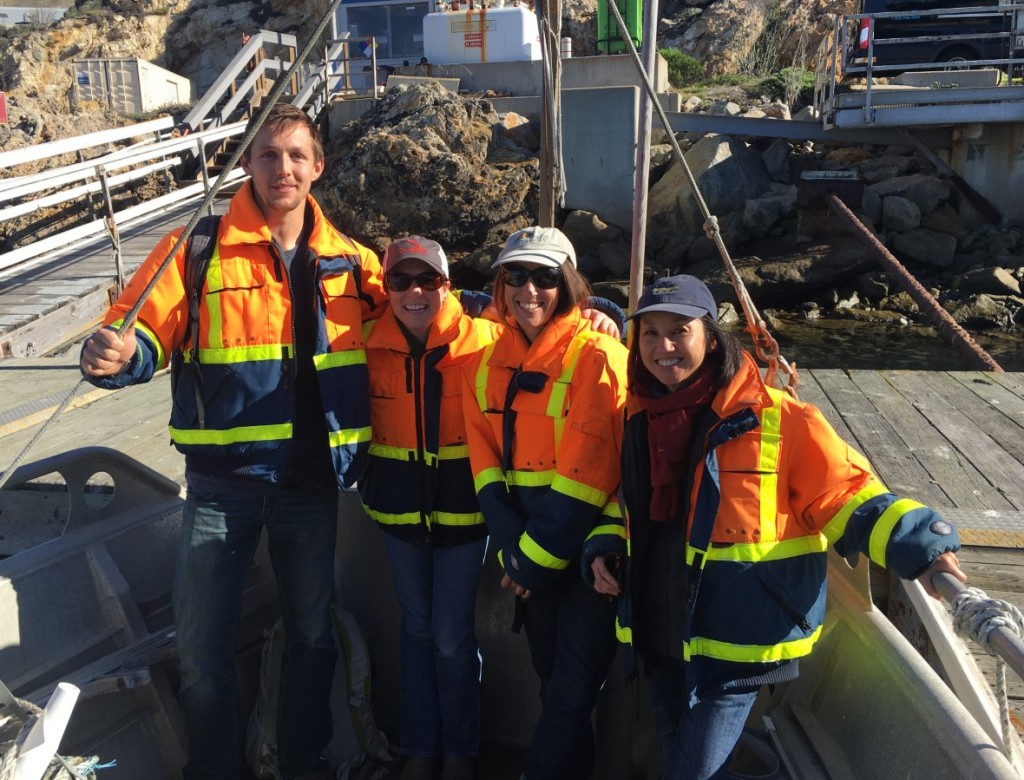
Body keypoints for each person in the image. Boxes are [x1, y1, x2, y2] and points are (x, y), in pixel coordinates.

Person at [80, 103, 387, 780]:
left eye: (297, 156)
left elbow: (430, 322)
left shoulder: (355, 262)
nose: (283, 168)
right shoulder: (194, 248)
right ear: (246, 163)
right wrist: (114, 355)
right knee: (201, 651)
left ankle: (302, 764)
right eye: (269, 154)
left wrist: (584, 317)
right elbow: (142, 337)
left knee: (313, 635)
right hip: (222, 488)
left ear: (318, 167)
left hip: (312, 486)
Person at [585, 274, 968, 780]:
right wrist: (606, 542)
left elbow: (845, 494)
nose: (664, 347)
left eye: (679, 331)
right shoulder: (638, 414)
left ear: (711, 336)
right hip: (657, 630)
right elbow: (625, 500)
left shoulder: (778, 418)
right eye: (650, 334)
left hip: (739, 640)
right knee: (683, 756)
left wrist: (921, 546)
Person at [460, 226, 628, 780]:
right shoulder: (485, 363)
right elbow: (485, 465)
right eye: (516, 276)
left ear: (570, 285)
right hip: (528, 558)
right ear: (500, 285)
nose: (529, 290)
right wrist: (513, 550)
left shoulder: (598, 355)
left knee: (572, 692)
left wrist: (530, 561)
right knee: (552, 679)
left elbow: (589, 473)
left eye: (545, 277)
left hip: (586, 553)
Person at [360, 236, 500, 780]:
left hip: (466, 518)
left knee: (450, 635)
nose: (414, 292)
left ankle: (461, 753)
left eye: (427, 281)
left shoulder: (488, 338)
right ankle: (421, 748)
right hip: (397, 517)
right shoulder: (365, 344)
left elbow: (557, 334)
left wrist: (603, 313)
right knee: (415, 629)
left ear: (448, 285)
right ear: (386, 289)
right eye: (400, 281)